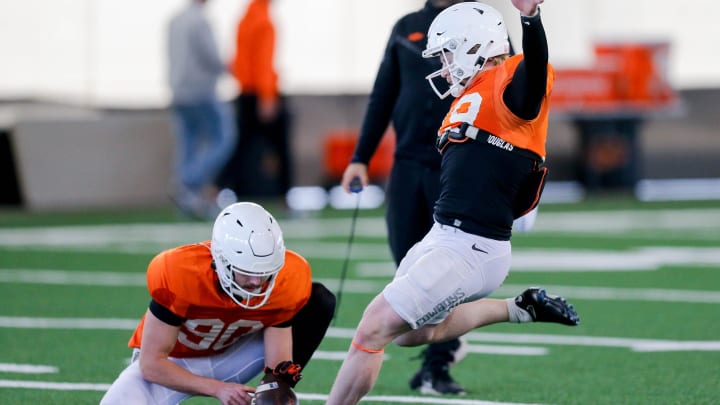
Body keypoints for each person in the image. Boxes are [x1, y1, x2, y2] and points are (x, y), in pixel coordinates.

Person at [328, 1, 578, 403]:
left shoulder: (510, 82)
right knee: (411, 335)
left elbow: (532, 74)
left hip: (472, 245)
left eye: (447, 55)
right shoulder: (472, 94)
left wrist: (531, 19)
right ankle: (517, 308)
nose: (443, 67)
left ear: (474, 47)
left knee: (371, 328)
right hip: (444, 236)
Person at [100, 202, 335, 405]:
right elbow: (151, 364)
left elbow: (278, 364)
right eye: (246, 271)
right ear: (221, 259)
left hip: (233, 354)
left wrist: (275, 390)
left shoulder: (286, 280)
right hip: (173, 362)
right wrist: (218, 389)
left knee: (319, 301)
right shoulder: (181, 273)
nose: (256, 281)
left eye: (265, 272)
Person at [166, 0, 236, 218]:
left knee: (189, 143)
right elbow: (211, 56)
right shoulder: (200, 21)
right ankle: (188, 181)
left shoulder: (174, 21)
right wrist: (233, 68)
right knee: (224, 136)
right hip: (201, 91)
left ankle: (188, 196)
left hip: (178, 91)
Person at [219, 0, 292, 199]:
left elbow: (237, 60)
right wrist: (267, 97)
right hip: (260, 94)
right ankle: (285, 196)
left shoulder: (245, 18)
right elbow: (263, 63)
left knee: (240, 147)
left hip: (245, 93)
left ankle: (218, 189)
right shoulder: (264, 21)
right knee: (281, 148)